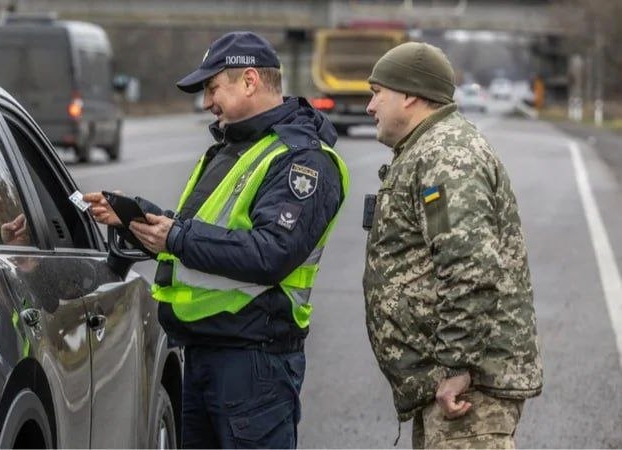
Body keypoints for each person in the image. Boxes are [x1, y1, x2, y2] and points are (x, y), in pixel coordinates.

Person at [84, 31, 348, 449]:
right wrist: (137, 216)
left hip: (254, 364)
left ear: (250, 80)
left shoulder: (301, 160)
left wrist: (175, 236)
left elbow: (271, 253)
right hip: (205, 352)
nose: (207, 102)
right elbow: (202, 231)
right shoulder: (233, 148)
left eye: (212, 88)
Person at [362, 42, 543, 449]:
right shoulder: (430, 150)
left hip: (467, 389)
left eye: (377, 93)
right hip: (448, 381)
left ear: (409, 95)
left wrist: (457, 365)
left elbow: (469, 267)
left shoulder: (447, 156)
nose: (370, 107)